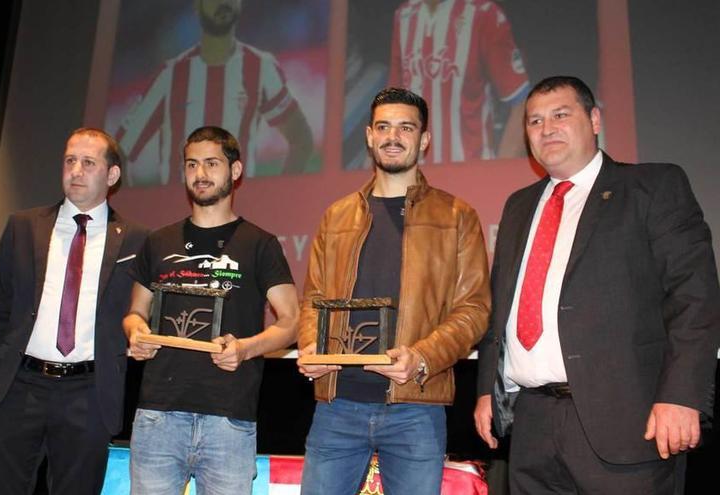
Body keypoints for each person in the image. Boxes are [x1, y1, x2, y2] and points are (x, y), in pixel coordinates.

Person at [474, 76, 720, 494]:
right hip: (532, 424)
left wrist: (683, 396)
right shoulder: (518, 206)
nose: (546, 128)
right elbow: (503, 310)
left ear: (594, 119)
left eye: (560, 115)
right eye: (534, 121)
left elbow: (694, 298)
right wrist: (487, 392)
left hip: (630, 422)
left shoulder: (653, 187)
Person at [297, 87, 491, 494]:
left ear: (424, 140)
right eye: (383, 126)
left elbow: (473, 309)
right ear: (368, 135)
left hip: (415, 407)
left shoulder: (458, 216)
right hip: (336, 405)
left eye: (406, 127)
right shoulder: (336, 216)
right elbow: (314, 299)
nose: (393, 136)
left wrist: (421, 358)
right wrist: (311, 347)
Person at [0, 128, 148, 494]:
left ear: (112, 175)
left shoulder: (138, 239)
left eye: (88, 163)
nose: (76, 170)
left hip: (89, 393)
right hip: (17, 385)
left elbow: (142, 312)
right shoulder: (23, 226)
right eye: (70, 161)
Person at [124, 125, 299, 493]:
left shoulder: (260, 244)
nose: (200, 174)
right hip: (158, 416)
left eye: (211, 164)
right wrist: (136, 333)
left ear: (235, 172)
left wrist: (246, 349)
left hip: (229, 420)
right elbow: (135, 312)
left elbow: (292, 322)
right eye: (191, 165)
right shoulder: (158, 241)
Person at [115, 0, 314, 185]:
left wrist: (275, 198)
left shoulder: (261, 67)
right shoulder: (169, 75)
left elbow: (301, 140)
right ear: (197, 5)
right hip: (179, 218)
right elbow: (119, 152)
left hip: (240, 217)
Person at [388, 0, 529, 163]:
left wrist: (498, 174)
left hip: (470, 173)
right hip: (415, 176)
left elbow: (522, 103)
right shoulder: (404, 15)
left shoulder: (483, 13)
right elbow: (391, 106)